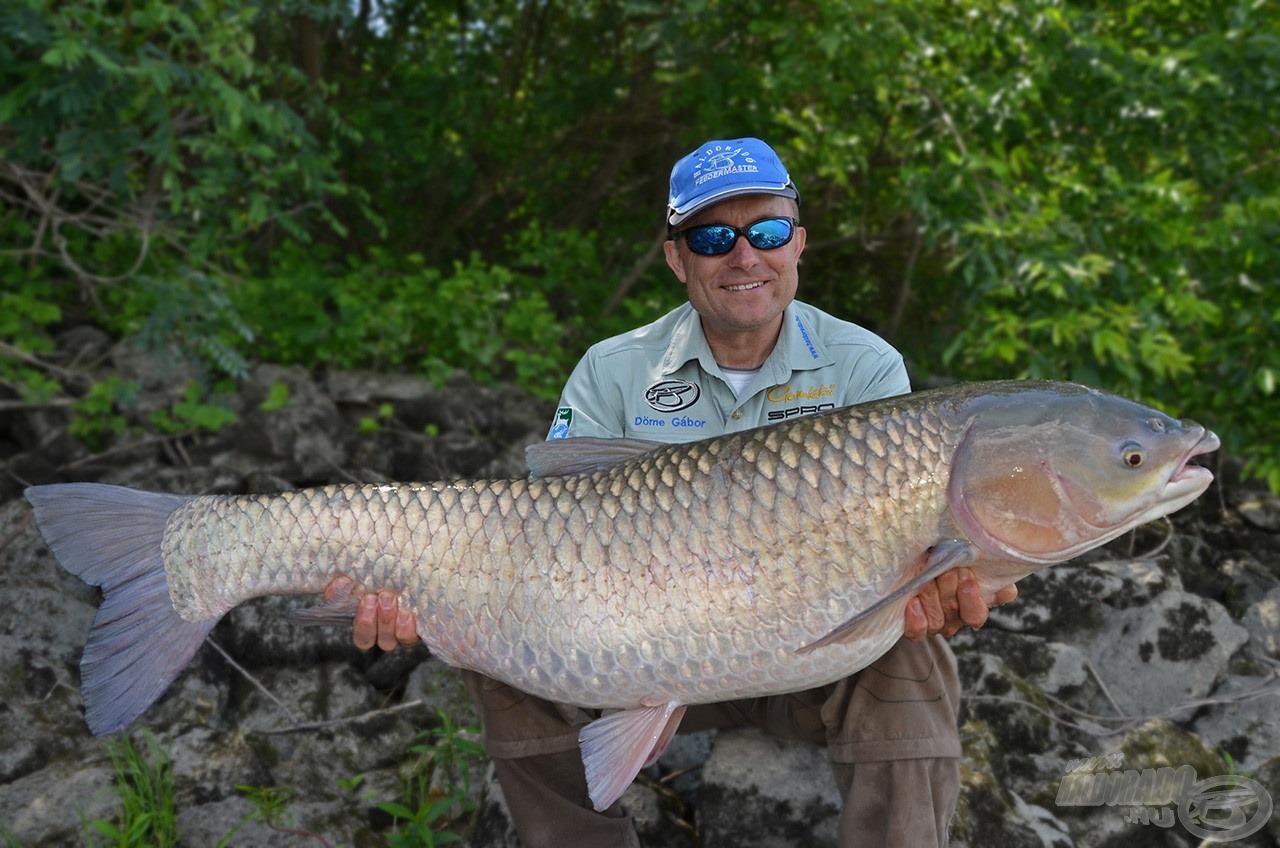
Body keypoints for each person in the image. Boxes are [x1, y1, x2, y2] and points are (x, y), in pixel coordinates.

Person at [336, 137, 1016, 846]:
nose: (745, 256)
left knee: (911, 649)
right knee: (504, 656)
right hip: (636, 652)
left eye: (768, 232)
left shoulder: (866, 366)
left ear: (799, 243)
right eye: (714, 236)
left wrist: (949, 580)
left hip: (817, 655)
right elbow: (541, 540)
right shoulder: (613, 369)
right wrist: (418, 588)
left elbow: (919, 553)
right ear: (676, 257)